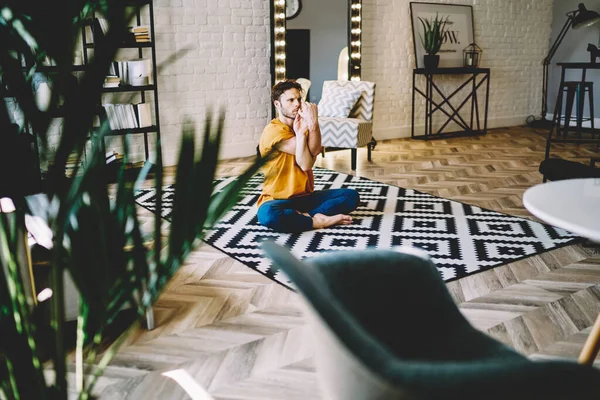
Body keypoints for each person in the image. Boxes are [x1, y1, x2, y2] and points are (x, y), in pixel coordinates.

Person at [256, 79, 360, 233]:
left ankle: (306, 217)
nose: (297, 104)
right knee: (269, 216)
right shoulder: (274, 131)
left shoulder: (301, 125)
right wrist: (303, 133)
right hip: (276, 199)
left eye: (299, 99)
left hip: (305, 198)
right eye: (290, 100)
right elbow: (306, 163)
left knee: (351, 196)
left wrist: (314, 123)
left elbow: (315, 150)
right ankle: (315, 221)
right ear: (277, 104)